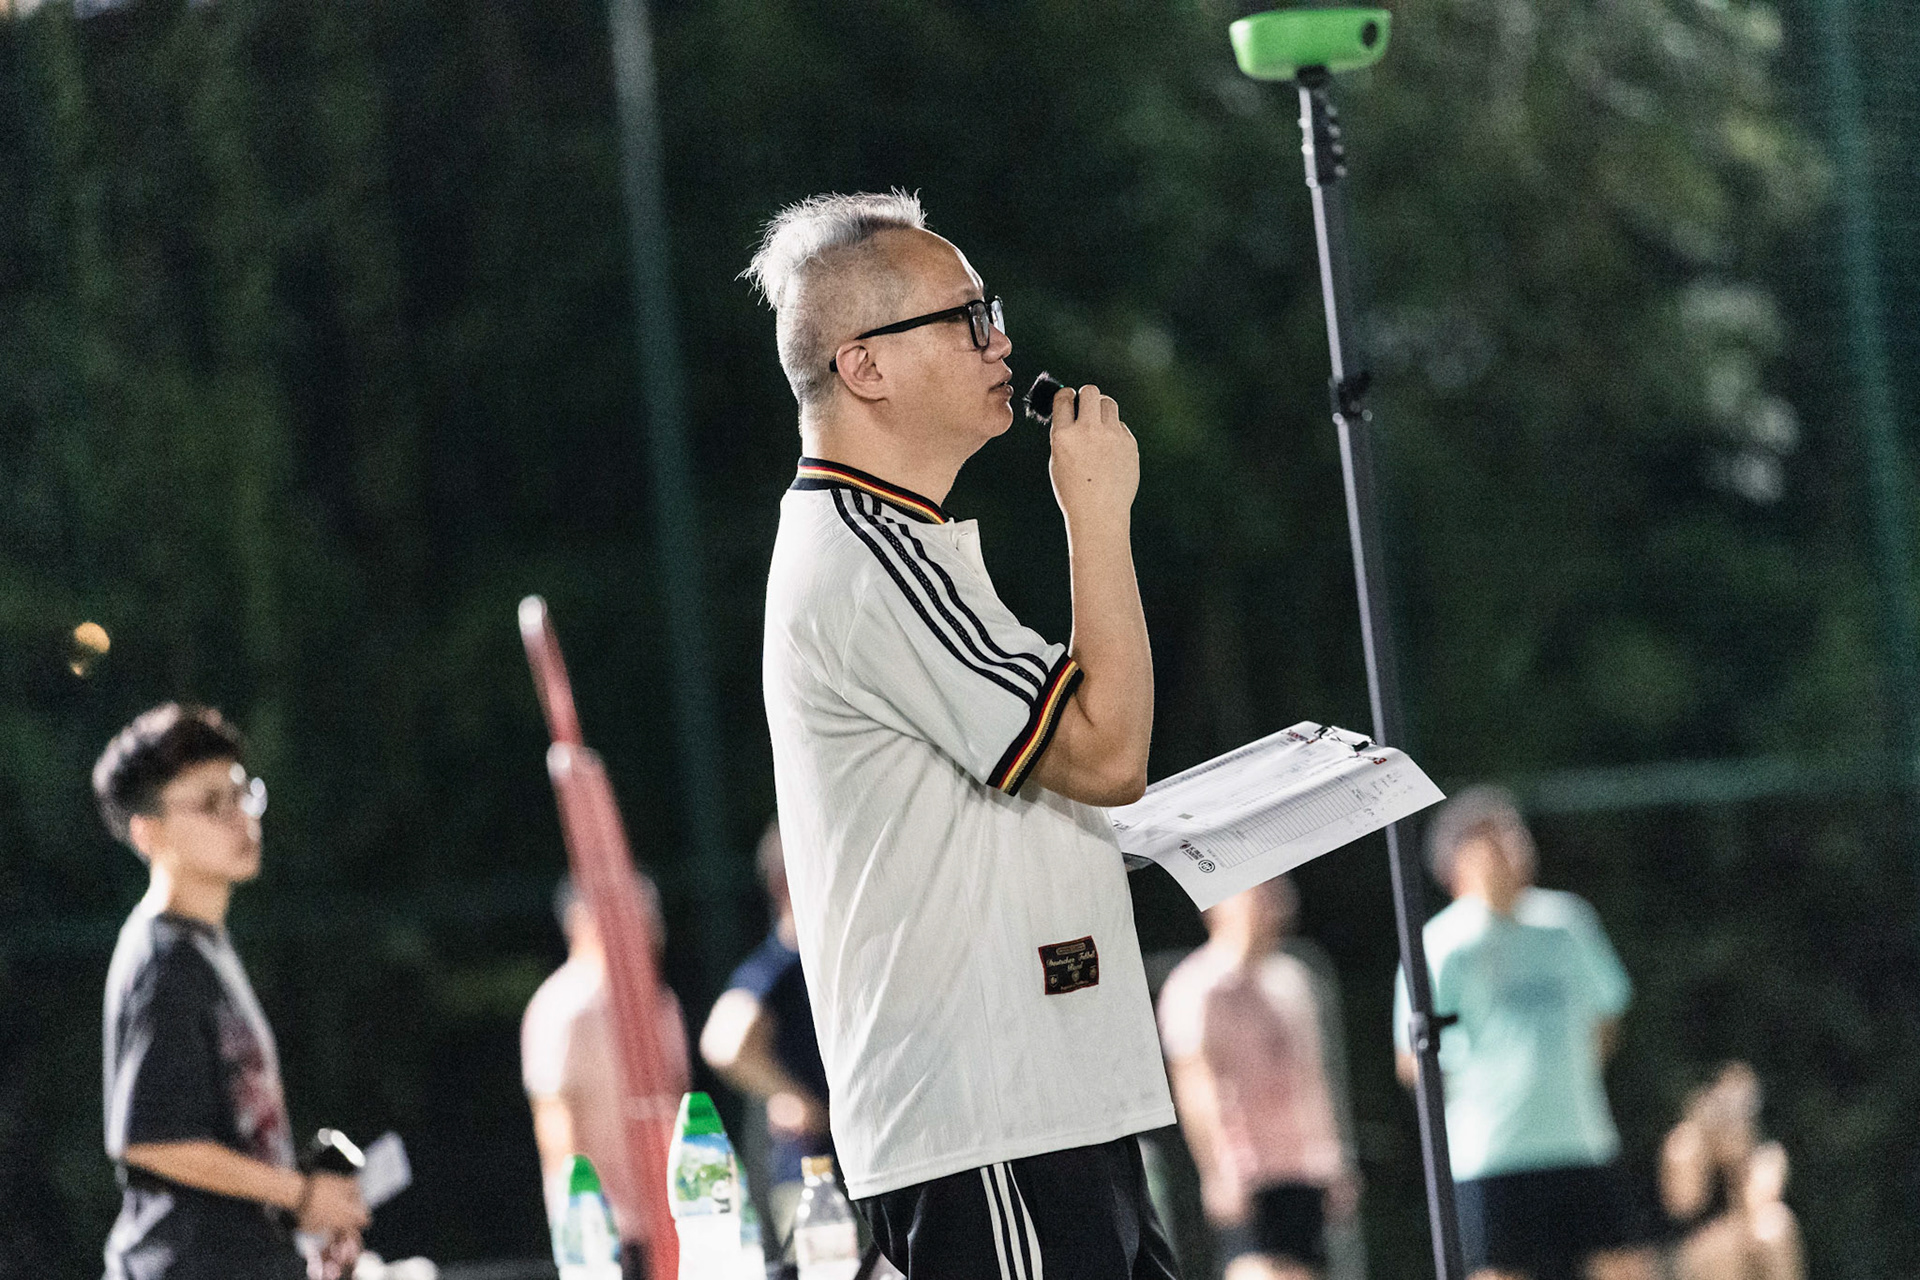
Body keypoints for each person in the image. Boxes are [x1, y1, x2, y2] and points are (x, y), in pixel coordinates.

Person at [749, 190, 1180, 1279]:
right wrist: (1096, 513)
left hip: (1042, 1114)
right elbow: (1107, 750)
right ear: (866, 366)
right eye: (968, 316)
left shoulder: (901, 542)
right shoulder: (865, 553)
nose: (1003, 340)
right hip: (990, 1125)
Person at [94, 703, 368, 1280]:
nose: (240, 817)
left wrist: (301, 1218)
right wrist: (299, 1193)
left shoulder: (201, 943)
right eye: (210, 803)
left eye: (242, 793)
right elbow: (150, 1140)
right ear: (149, 833)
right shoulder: (162, 960)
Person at [1393, 786, 1655, 1280]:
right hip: (1491, 1153)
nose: (1514, 848)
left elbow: (1605, 1017)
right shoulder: (1441, 946)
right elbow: (1414, 1061)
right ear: (1459, 860)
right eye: (1497, 839)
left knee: (1624, 1265)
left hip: (1581, 1140)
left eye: (1517, 835)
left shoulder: (1567, 923)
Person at [1158, 878, 1357, 1280]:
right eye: (1255, 892)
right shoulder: (1194, 987)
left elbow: (1313, 1076)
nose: (1269, 902)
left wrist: (1333, 1157)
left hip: (1301, 1166)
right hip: (1246, 1170)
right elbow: (1195, 1087)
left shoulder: (1293, 979)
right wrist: (1217, 1172)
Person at [521, 871, 690, 1280]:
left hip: (669, 1219)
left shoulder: (660, 1001)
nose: (649, 925)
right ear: (583, 920)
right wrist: (585, 1225)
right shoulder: (563, 1007)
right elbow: (556, 1127)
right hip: (605, 1233)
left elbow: (679, 1106)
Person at [698, 818, 833, 1239]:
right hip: (815, 1178)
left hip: (850, 1171)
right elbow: (724, 1043)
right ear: (784, 881)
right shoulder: (780, 964)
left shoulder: (823, 958)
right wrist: (794, 1097)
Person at [1659, 1063, 1802, 1280]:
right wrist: (1706, 1149)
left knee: (1777, 1227)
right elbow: (1684, 1209)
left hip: (1739, 1236)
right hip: (1686, 1248)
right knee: (1723, 1248)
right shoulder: (1685, 1146)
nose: (1733, 1114)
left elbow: (1757, 1209)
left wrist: (1740, 1162)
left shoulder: (1762, 1153)